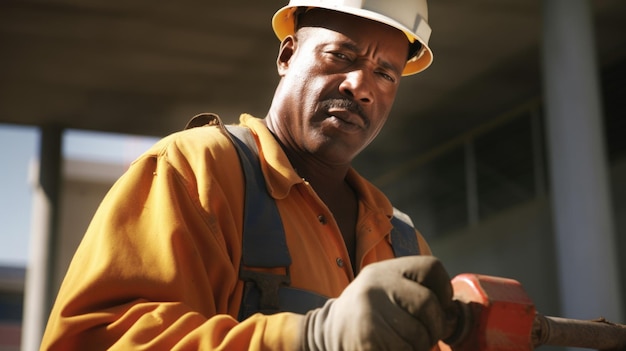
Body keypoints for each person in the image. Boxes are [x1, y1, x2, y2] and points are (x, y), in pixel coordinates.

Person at [40, 0, 457, 350]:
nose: (360, 86)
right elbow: (99, 338)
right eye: (342, 56)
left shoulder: (400, 240)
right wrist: (310, 337)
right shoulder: (196, 170)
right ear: (287, 55)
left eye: (385, 74)